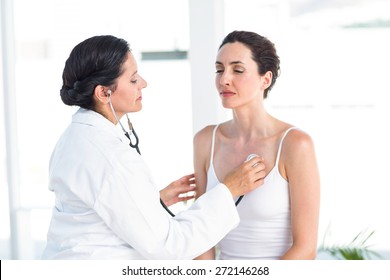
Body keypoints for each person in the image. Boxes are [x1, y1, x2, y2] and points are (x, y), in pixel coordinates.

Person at [41, 35, 265, 260]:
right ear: (103, 93)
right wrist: (230, 190)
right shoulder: (112, 158)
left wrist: (152, 201)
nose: (143, 84)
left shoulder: (74, 137)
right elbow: (169, 247)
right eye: (133, 79)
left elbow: (91, 215)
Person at [193, 31, 320, 260]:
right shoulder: (205, 141)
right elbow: (202, 239)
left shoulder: (295, 144)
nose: (224, 79)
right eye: (219, 70)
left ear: (266, 79)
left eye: (237, 70)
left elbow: (306, 249)